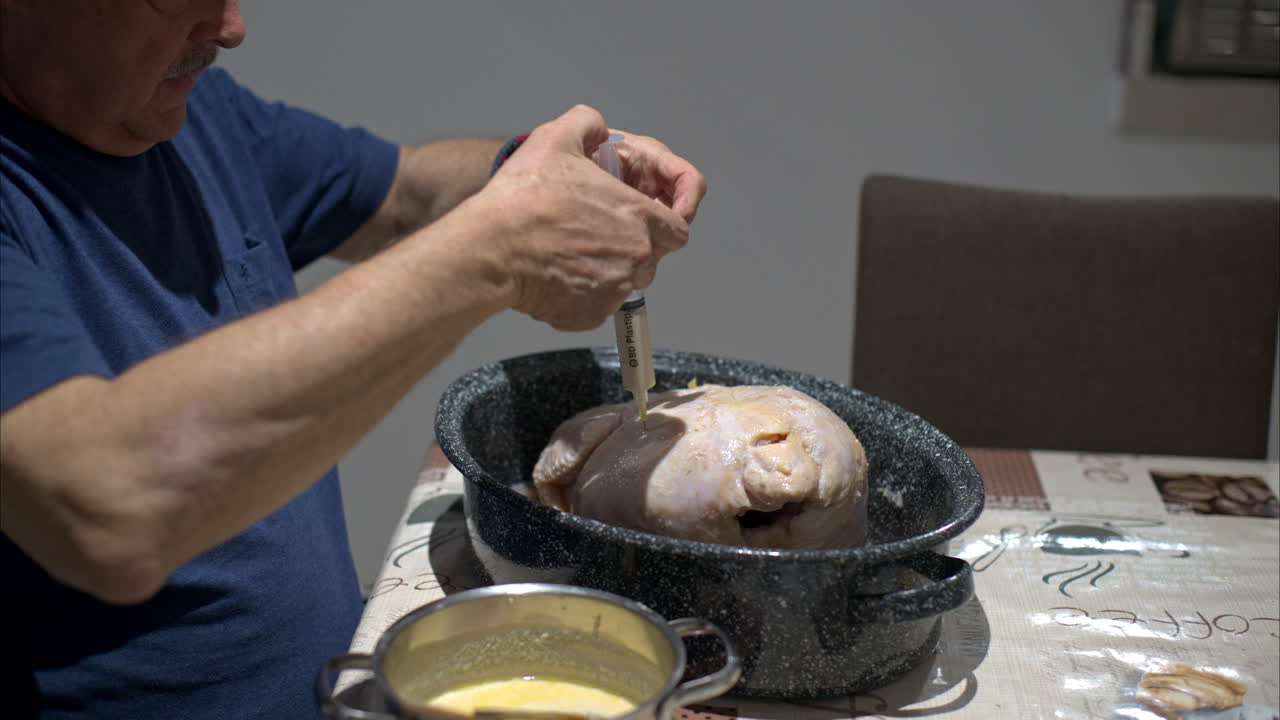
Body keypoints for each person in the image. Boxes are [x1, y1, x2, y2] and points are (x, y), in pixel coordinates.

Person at [0, 1, 705, 717]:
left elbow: (401, 194)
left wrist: (533, 175)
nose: (230, 26)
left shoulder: (186, 112)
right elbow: (105, 507)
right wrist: (500, 249)